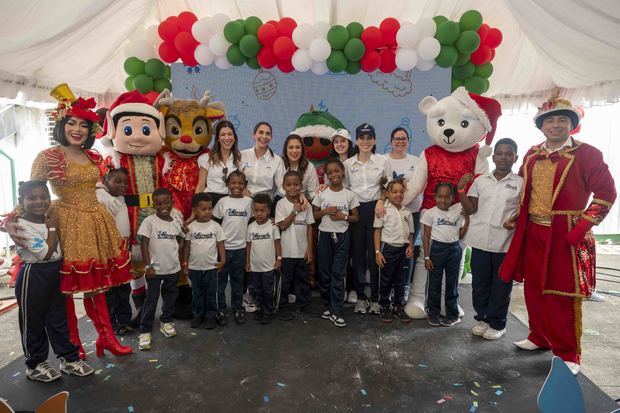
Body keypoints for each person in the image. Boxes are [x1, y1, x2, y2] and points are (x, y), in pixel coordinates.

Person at [5, 87, 133, 358]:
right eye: (72, 123)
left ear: (90, 130)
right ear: (62, 125)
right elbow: (32, 192)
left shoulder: (95, 157)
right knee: (66, 290)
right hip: (66, 224)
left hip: (96, 223)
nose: (78, 129)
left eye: (84, 125)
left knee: (97, 288)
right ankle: (73, 346)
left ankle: (106, 338)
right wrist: (13, 217)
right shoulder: (49, 156)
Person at [498, 96, 616, 375]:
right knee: (534, 288)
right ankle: (539, 336)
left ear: (572, 124)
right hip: (533, 232)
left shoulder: (587, 154)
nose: (555, 125)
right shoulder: (531, 154)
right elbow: (528, 193)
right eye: (549, 120)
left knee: (563, 295)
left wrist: (580, 228)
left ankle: (568, 353)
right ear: (541, 126)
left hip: (565, 236)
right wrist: (517, 216)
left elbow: (606, 195)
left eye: (562, 119)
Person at [14, 181, 94, 382]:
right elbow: (44, 254)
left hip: (56, 271)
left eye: (44, 197)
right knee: (33, 321)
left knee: (58, 318)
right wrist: (51, 229)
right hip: (34, 274)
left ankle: (68, 359)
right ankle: (34, 364)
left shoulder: (51, 217)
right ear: (21, 201)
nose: (39, 202)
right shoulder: (21, 225)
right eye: (32, 198)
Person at [458, 138, 523, 340]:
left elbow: (524, 211)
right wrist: (461, 190)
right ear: (493, 156)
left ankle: (497, 323)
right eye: (500, 153)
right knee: (480, 284)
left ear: (515, 157)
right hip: (480, 242)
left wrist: (514, 218)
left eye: (509, 153)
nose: (504, 157)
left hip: (504, 243)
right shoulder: (481, 181)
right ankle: (483, 318)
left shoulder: (519, 183)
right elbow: (471, 209)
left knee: (501, 285)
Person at [344, 123, 387, 315]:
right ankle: (361, 297)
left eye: (370, 138)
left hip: (376, 210)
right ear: (356, 140)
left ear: (375, 140)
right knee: (358, 256)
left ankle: (376, 298)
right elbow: (344, 189)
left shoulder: (383, 161)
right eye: (362, 138)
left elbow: (387, 186)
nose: (366, 141)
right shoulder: (348, 164)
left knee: (375, 255)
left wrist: (381, 200)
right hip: (356, 212)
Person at [137, 188, 186, 350]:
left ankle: (166, 321)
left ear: (172, 203)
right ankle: (145, 330)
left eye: (166, 202)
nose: (163, 206)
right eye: (158, 203)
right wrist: (148, 265)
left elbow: (181, 238)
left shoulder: (176, 221)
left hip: (173, 269)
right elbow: (143, 243)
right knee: (151, 300)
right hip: (155, 270)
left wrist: (179, 255)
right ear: (154, 205)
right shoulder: (149, 221)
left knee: (170, 297)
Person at [312, 158, 359, 328]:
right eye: (330, 172)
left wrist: (343, 217)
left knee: (338, 273)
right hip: (324, 236)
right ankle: (328, 306)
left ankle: (337, 310)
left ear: (342, 172)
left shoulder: (349, 194)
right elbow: (314, 215)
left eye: (336, 171)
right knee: (325, 273)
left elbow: (356, 217)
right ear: (326, 175)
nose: (334, 175)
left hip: (342, 236)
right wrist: (324, 211)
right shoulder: (322, 194)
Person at [421, 182, 469, 327]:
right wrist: (427, 257)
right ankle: (433, 313)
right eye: (440, 196)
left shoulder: (458, 213)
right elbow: (426, 237)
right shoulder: (430, 213)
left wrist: (466, 223)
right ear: (435, 197)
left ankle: (453, 314)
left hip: (454, 250)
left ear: (452, 198)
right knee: (434, 283)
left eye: (447, 197)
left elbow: (460, 235)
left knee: (452, 284)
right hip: (437, 250)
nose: (443, 200)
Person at [385, 127, 423, 301]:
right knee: (392, 250)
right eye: (396, 138)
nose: (400, 141)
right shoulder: (384, 160)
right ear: (391, 141)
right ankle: (390, 286)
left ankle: (404, 287)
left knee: (408, 250)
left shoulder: (416, 161)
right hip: (390, 213)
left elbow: (421, 184)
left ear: (408, 141)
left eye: (404, 138)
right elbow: (382, 186)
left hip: (412, 212)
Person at [212, 170, 253, 325]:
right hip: (224, 249)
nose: (237, 186)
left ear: (245, 185)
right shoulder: (223, 202)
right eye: (233, 183)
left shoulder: (249, 202)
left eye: (240, 183)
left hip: (241, 249)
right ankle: (220, 309)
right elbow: (215, 222)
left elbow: (252, 221)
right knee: (220, 282)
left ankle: (237, 308)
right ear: (227, 185)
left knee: (238, 281)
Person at [96, 168, 133, 336]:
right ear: (105, 181)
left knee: (124, 288)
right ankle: (111, 323)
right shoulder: (101, 197)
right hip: (108, 250)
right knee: (110, 291)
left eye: (125, 182)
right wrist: (100, 188)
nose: (123, 185)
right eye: (117, 181)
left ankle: (124, 320)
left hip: (123, 250)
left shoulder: (121, 199)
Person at [275, 171, 316, 319]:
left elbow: (310, 227)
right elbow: (283, 226)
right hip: (286, 252)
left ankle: (303, 306)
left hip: (302, 252)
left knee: (303, 280)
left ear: (301, 186)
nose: (292, 187)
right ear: (283, 186)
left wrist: (309, 250)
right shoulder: (280, 204)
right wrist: (294, 210)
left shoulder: (306, 205)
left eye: (296, 184)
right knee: (285, 282)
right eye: (289, 185)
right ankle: (282, 307)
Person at [182, 193, 226, 329]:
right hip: (195, 267)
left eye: (209, 208)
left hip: (211, 268)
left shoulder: (216, 227)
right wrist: (185, 262)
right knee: (197, 294)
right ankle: (197, 316)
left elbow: (220, 244)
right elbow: (187, 245)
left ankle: (211, 316)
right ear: (195, 210)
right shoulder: (192, 227)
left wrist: (223, 260)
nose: (207, 212)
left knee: (211, 293)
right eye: (203, 209)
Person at [374, 179, 414, 324]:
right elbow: (377, 231)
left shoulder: (407, 212)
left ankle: (398, 306)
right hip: (388, 249)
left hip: (403, 250)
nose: (398, 195)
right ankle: (384, 306)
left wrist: (410, 246)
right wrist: (378, 252)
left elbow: (411, 233)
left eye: (401, 192)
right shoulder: (382, 210)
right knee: (386, 279)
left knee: (400, 280)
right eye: (394, 191)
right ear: (387, 194)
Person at [246, 193, 282, 325]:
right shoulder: (250, 227)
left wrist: (279, 259)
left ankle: (268, 310)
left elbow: (277, 243)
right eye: (256, 210)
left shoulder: (273, 226)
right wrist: (247, 262)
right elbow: (248, 246)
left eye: (263, 210)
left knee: (268, 290)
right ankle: (261, 308)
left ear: (268, 211)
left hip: (269, 266)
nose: (259, 213)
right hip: (255, 266)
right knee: (257, 289)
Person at [195, 120, 242, 207]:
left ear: (234, 138)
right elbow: (201, 185)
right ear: (218, 139)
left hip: (231, 202)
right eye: (223, 135)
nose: (227, 138)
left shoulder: (239, 159)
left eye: (230, 134)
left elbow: (242, 186)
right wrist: (194, 210)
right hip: (209, 202)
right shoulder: (207, 158)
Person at [241, 122, 285, 200]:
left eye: (268, 134)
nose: (264, 136)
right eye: (260, 132)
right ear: (254, 135)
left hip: (265, 206)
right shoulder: (243, 155)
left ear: (271, 137)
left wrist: (297, 195)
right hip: (243, 201)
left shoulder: (277, 161)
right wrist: (243, 190)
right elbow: (236, 178)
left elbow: (283, 188)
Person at [282, 134, 319, 201]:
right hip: (282, 200)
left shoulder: (309, 167)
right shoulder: (280, 163)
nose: (294, 151)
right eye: (291, 147)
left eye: (297, 147)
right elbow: (279, 189)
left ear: (302, 150)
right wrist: (297, 194)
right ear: (285, 150)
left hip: (303, 201)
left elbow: (313, 192)